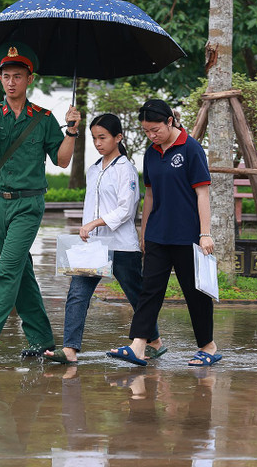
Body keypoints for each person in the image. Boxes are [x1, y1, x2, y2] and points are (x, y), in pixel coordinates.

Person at [0, 43, 81, 361]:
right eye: (6, 76)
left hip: (28, 204)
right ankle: (42, 339)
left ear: (29, 79)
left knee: (7, 269)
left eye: (17, 76)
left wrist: (72, 131)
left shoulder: (44, 118)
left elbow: (62, 161)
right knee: (21, 270)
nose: (11, 81)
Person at [43, 113, 165, 365]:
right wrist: (86, 228)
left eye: (103, 137)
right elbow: (92, 206)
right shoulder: (93, 169)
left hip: (121, 245)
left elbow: (126, 209)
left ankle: (154, 341)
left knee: (136, 295)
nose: (98, 143)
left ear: (118, 138)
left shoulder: (126, 170)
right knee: (77, 294)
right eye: (94, 138)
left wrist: (95, 223)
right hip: (93, 247)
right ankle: (70, 349)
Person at [107, 99, 220, 367]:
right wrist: (144, 230)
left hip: (187, 235)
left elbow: (202, 192)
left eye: (155, 129)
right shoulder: (152, 152)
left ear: (170, 121)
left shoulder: (191, 149)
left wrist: (206, 233)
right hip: (158, 234)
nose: (151, 135)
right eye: (146, 131)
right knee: (149, 290)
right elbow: (149, 193)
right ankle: (138, 345)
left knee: (195, 293)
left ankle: (208, 346)